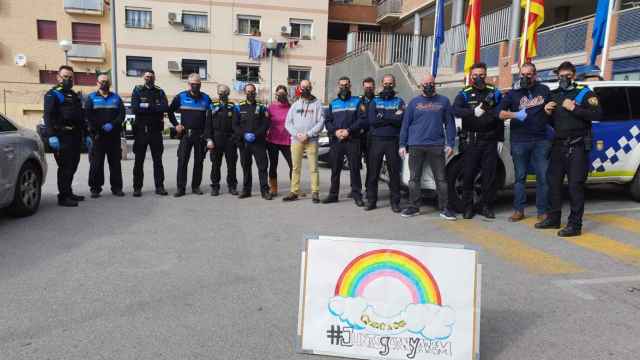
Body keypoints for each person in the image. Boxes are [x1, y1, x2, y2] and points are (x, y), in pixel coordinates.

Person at [536, 61, 602, 237]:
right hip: (558, 145)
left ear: (574, 75)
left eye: (568, 76)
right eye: (561, 76)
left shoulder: (584, 93)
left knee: (575, 186)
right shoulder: (554, 95)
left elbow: (598, 114)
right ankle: (553, 218)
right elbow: (553, 122)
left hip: (577, 146)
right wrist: (547, 113)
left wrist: (575, 108)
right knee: (553, 184)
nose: (564, 79)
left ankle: (575, 225)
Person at [399, 74, 457, 220]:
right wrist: (402, 144)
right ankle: (414, 207)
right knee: (414, 178)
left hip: (436, 145)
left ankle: (444, 208)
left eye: (431, 83)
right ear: (421, 86)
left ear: (435, 83)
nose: (429, 85)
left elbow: (450, 124)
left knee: (441, 179)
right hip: (415, 145)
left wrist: (450, 143)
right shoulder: (413, 103)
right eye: (425, 83)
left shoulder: (444, 101)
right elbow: (405, 125)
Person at [499, 62, 552, 222]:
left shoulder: (544, 90)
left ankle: (542, 211)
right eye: (522, 74)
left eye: (528, 74)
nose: (525, 77)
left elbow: (552, 107)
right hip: (520, 141)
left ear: (535, 75)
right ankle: (518, 210)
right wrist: (515, 115)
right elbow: (500, 113)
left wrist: (549, 108)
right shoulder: (513, 93)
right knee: (520, 177)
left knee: (543, 177)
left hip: (541, 140)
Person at [452, 62, 503, 219]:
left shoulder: (494, 92)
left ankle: (486, 206)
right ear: (471, 76)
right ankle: (468, 207)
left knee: (489, 176)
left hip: (490, 140)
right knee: (468, 174)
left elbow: (501, 113)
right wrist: (472, 111)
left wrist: (500, 139)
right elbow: (455, 110)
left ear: (486, 74)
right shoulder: (465, 93)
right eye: (475, 75)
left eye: (481, 75)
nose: (478, 78)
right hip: (472, 141)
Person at [43, 65, 92, 207]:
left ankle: (69, 192)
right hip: (62, 135)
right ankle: (63, 197)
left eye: (70, 77)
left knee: (73, 165)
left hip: (75, 135)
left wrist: (87, 134)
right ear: (58, 77)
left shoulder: (73, 95)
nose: (68, 79)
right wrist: (51, 135)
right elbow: (48, 116)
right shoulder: (53, 94)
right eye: (65, 76)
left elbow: (80, 117)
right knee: (65, 167)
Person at [323, 76, 366, 207]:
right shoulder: (333, 103)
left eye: (346, 85)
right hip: (337, 140)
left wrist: (348, 130)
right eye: (341, 85)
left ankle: (357, 194)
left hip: (352, 139)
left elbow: (362, 119)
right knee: (335, 168)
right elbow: (328, 121)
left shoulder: (357, 102)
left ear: (350, 86)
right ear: (338, 86)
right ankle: (333, 194)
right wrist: (335, 132)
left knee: (354, 168)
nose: (344, 88)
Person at [364, 74, 404, 213]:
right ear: (381, 84)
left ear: (394, 84)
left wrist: (383, 116)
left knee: (394, 173)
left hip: (393, 141)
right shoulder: (375, 101)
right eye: (386, 83)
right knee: (373, 173)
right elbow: (372, 121)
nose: (388, 86)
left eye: (391, 83)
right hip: (377, 141)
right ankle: (371, 201)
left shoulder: (399, 101)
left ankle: (395, 202)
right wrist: (391, 117)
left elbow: (400, 120)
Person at [168, 73, 211, 197]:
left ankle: (196, 186)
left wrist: (208, 136)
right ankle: (181, 188)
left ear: (200, 85)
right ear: (189, 84)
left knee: (199, 162)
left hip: (200, 135)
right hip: (186, 135)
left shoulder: (206, 98)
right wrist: (176, 124)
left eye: (197, 84)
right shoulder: (180, 97)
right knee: (182, 161)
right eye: (193, 84)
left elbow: (210, 117)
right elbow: (170, 112)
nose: (195, 86)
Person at [282, 80, 325, 203]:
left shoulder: (317, 104)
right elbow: (288, 123)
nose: (305, 89)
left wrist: (308, 134)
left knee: (313, 167)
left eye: (307, 87)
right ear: (300, 88)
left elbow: (321, 122)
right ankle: (294, 191)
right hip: (296, 140)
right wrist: (297, 134)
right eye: (303, 87)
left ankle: (315, 192)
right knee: (295, 167)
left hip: (311, 140)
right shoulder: (295, 104)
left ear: (311, 88)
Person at [85, 73, 125, 198]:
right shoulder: (91, 98)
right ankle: (95, 188)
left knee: (115, 164)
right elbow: (88, 115)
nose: (104, 83)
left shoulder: (116, 98)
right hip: (98, 136)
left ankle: (117, 188)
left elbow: (121, 115)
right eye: (102, 81)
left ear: (110, 83)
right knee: (96, 163)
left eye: (106, 81)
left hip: (113, 136)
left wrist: (112, 125)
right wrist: (100, 127)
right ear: (97, 83)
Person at [130, 70, 169, 197]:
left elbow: (164, 108)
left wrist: (146, 106)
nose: (149, 79)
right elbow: (135, 108)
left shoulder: (160, 91)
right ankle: (137, 188)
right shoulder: (137, 90)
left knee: (158, 161)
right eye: (147, 77)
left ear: (154, 78)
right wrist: (153, 107)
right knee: (139, 161)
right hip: (141, 131)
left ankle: (159, 187)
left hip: (156, 132)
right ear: (143, 78)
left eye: (151, 77)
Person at [233, 83, 272, 200]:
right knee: (246, 166)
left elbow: (266, 123)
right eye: (248, 91)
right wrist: (244, 134)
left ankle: (265, 191)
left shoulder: (262, 107)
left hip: (258, 142)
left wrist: (255, 134)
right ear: (245, 93)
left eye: (252, 91)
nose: (250, 93)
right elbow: (235, 125)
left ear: (255, 92)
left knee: (263, 166)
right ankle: (246, 190)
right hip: (244, 143)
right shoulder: (238, 107)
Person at [205, 84, 239, 196]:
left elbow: (236, 124)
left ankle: (232, 186)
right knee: (215, 164)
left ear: (228, 93)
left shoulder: (232, 106)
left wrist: (234, 138)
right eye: (220, 92)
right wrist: (209, 139)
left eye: (224, 92)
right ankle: (215, 187)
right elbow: (208, 124)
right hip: (216, 139)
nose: (222, 94)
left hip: (230, 139)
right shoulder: (212, 106)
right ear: (217, 93)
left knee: (231, 165)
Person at [266, 85, 293, 197]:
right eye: (279, 94)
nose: (281, 96)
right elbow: (265, 122)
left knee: (293, 165)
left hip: (287, 141)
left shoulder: (291, 107)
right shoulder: (270, 107)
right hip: (272, 140)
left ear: (286, 94)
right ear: (276, 94)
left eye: (283, 93)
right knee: (273, 165)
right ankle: (273, 189)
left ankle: (294, 188)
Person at [359, 77, 376, 198]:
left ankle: (368, 189)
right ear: (363, 88)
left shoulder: (378, 101)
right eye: (366, 87)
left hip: (373, 137)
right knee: (355, 164)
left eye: (370, 87)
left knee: (371, 165)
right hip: (359, 137)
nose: (368, 89)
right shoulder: (358, 102)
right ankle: (355, 188)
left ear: (374, 87)